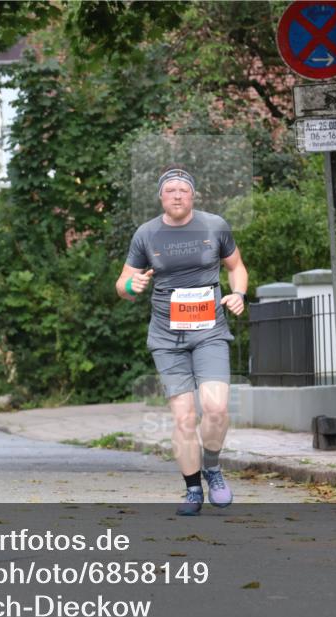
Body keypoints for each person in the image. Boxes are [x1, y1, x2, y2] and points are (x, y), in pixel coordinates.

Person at [116, 167, 248, 516]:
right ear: (161, 197)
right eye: (170, 190)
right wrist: (133, 287)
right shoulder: (146, 234)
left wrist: (239, 294)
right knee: (184, 418)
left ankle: (213, 468)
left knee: (217, 409)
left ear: (193, 195)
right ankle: (193, 489)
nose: (177, 195)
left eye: (183, 190)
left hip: (210, 333)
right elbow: (123, 284)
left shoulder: (214, 226)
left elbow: (236, 266)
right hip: (167, 338)